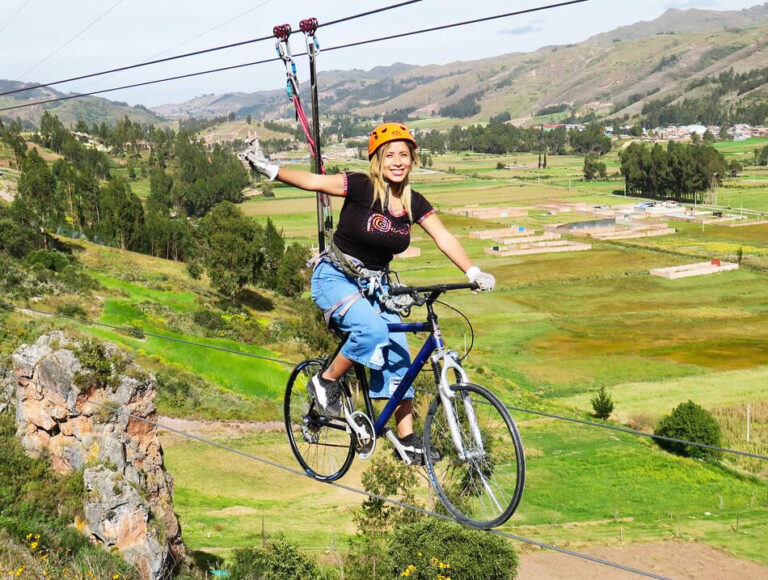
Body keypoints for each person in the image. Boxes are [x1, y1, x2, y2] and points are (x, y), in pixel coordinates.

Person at [246, 122, 494, 463]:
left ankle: (406, 440)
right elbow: (313, 182)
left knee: (401, 358)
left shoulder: (414, 202)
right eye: (389, 155)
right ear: (377, 159)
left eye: (403, 155)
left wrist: (473, 271)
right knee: (371, 330)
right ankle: (326, 380)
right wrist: (271, 170)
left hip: (378, 287)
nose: (397, 161)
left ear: (412, 160)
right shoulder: (361, 185)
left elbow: (444, 237)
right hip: (335, 277)